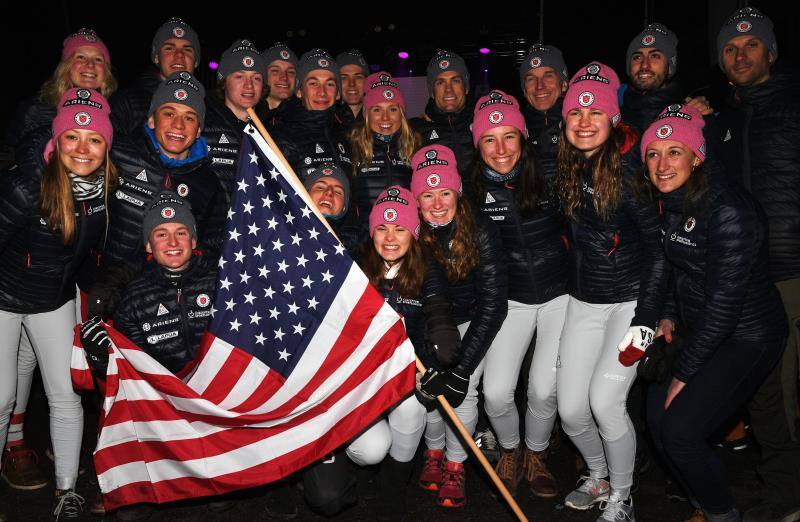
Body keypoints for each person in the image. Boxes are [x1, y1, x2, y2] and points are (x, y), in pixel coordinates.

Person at [639, 103, 787, 522]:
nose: (662, 164)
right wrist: (666, 312)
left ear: (697, 156)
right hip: (699, 325)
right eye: (653, 153)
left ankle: (723, 514)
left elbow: (725, 308)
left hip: (748, 334)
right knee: (657, 418)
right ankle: (701, 504)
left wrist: (683, 375)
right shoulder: (671, 200)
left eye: (674, 152)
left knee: (680, 431)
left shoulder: (729, 211)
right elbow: (671, 262)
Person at [0, 27, 115, 492]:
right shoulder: (28, 183)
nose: (82, 147)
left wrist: (102, 292)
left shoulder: (105, 190)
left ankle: (67, 492)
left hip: (52, 298)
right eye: (72, 138)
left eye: (94, 140)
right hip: (6, 295)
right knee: (3, 393)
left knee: (65, 394)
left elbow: (93, 252)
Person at [555, 62, 666, 522]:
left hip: (629, 304)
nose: (584, 122)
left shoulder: (629, 173)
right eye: (575, 114)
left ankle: (623, 495)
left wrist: (648, 317)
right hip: (583, 301)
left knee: (604, 403)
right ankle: (599, 474)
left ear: (613, 119)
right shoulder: (566, 166)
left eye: (594, 113)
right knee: (569, 409)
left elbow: (660, 250)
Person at [713, 7, 800, 521]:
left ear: (770, 50)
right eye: (730, 48)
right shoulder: (723, 117)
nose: (740, 55)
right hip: (752, 280)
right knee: (769, 395)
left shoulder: (794, 104)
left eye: (750, 45)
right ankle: (786, 494)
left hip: (795, 270)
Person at [469, 89, 568, 498]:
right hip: (509, 298)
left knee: (544, 389)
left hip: (560, 294)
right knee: (495, 392)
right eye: (489, 139)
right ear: (478, 145)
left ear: (523, 137)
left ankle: (536, 454)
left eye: (509, 136)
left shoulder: (550, 170)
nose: (500, 148)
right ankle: (509, 451)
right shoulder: (471, 187)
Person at [412, 144, 508, 508]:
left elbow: (494, 303)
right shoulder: (410, 232)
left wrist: (463, 367)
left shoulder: (479, 228)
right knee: (431, 383)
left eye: (445, 193)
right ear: (416, 200)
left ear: (459, 193)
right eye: (427, 194)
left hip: (474, 319)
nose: (437, 203)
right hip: (430, 320)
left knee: (460, 389)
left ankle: (456, 462)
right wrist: (428, 349)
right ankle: (434, 452)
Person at [93, 72, 225, 321]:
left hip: (164, 302)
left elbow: (211, 243)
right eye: (169, 113)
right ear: (152, 119)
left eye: (189, 117)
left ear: (199, 130)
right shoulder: (118, 155)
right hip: (104, 289)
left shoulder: (208, 183)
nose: (178, 125)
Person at [2, 28, 116, 166]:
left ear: (106, 71)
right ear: (66, 66)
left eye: (98, 60)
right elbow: (8, 158)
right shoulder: (35, 110)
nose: (90, 65)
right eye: (81, 57)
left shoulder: (115, 112)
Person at [349, 72, 419, 238]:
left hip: (405, 241)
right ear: (367, 114)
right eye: (377, 109)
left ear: (401, 114)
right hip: (365, 242)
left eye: (393, 109)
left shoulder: (416, 147)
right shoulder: (352, 147)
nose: (385, 117)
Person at [110, 17, 201, 136]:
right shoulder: (126, 103)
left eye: (187, 50)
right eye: (169, 48)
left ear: (196, 61)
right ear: (157, 57)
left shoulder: (210, 107)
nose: (179, 55)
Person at [621, 23, 713, 139]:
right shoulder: (612, 115)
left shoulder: (690, 114)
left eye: (655, 56)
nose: (644, 65)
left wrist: (705, 119)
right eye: (637, 57)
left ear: (669, 67)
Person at [271, 49, 352, 179]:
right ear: (299, 91)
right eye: (313, 83)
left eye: (330, 84)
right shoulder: (281, 138)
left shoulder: (347, 135)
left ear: (338, 93)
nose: (322, 92)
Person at [204, 38, 268, 201]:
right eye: (240, 76)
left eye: (256, 78)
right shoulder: (202, 126)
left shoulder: (273, 130)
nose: (249, 86)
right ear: (224, 82)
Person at [410, 50, 474, 177]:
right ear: (432, 91)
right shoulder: (414, 131)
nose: (448, 90)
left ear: (466, 87)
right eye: (440, 83)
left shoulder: (484, 125)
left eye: (455, 81)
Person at [518, 44, 569, 180]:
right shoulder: (514, 130)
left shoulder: (581, 123)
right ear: (524, 90)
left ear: (563, 84)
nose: (539, 86)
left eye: (548, 76)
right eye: (531, 79)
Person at [302, 163, 359, 255]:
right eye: (320, 187)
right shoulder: (283, 231)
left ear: (344, 206)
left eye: (338, 192)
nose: (329, 192)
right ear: (306, 194)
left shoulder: (356, 253)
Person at [262, 42, 298, 126]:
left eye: (290, 72)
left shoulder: (306, 119)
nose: (284, 77)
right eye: (275, 71)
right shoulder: (247, 115)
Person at [335, 49, 369, 127]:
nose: (352, 84)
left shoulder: (381, 119)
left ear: (367, 81)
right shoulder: (324, 120)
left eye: (358, 77)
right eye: (343, 78)